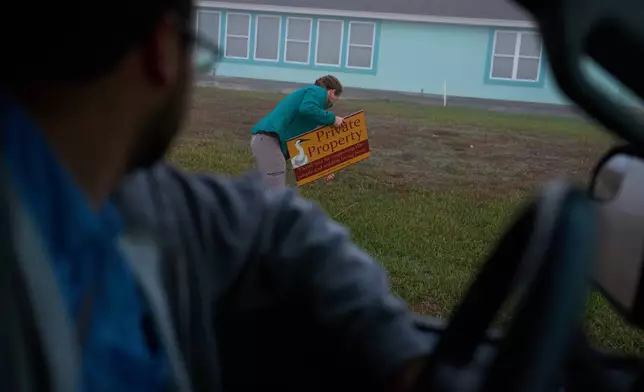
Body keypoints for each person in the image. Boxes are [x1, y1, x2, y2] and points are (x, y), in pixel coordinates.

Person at [0, 1, 430, 392]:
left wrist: (327, 164)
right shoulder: (316, 93)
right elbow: (305, 147)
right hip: (266, 144)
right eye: (196, 51)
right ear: (162, 49)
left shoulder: (141, 196)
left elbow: (276, 222)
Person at [250, 75, 345, 189]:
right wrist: (333, 119)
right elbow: (307, 109)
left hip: (265, 140)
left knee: (266, 189)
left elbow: (303, 144)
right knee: (275, 191)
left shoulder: (311, 108)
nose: (334, 102)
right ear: (332, 92)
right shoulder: (317, 91)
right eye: (337, 97)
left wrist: (322, 168)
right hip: (269, 139)